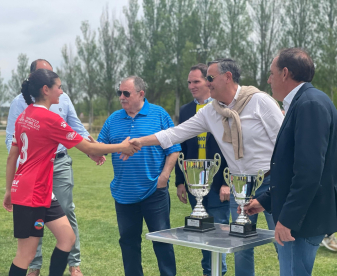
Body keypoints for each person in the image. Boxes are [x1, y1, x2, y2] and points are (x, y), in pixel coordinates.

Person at [125, 59, 283, 276]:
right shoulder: (211, 111)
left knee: (282, 240)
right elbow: (175, 133)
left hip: (271, 182)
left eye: (210, 78)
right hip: (239, 186)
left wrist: (283, 182)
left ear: (227, 77)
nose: (208, 83)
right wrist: (140, 141)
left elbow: (284, 143)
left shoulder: (260, 101)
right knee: (240, 247)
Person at [4, 69, 139, 276]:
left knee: (67, 238)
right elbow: (89, 148)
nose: (61, 91)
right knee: (26, 254)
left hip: (40, 191)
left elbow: (12, 156)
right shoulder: (49, 119)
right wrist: (121, 146)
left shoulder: (24, 115)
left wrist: (8, 190)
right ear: (46, 89)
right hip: (31, 194)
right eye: (59, 87)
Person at [244, 48, 337, 276]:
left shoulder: (310, 104)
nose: (269, 79)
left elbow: (309, 171)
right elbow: (289, 167)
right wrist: (266, 201)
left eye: (271, 73)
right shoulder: (306, 101)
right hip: (300, 218)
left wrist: (288, 219)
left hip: (301, 223)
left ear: (285, 73)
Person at [97, 76, 181, 276]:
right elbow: (99, 149)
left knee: (162, 241)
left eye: (126, 93)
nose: (122, 97)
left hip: (155, 192)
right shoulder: (113, 119)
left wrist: (164, 177)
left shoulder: (159, 115)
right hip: (124, 194)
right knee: (128, 243)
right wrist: (92, 148)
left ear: (141, 94)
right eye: (120, 93)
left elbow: (174, 148)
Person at [175, 64, 230, 276]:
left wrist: (227, 181)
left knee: (218, 232)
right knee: (200, 230)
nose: (191, 86)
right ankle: (208, 271)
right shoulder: (186, 111)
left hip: (218, 183)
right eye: (189, 82)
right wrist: (180, 180)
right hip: (193, 183)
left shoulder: (223, 108)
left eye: (196, 81)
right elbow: (181, 147)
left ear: (208, 82)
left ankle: (219, 272)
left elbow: (231, 148)